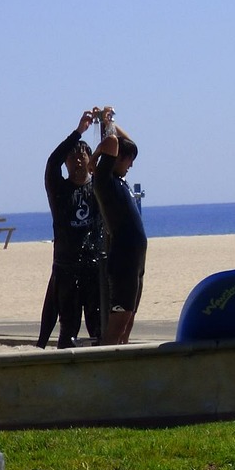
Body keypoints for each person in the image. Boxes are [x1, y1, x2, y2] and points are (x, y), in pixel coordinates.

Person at [38, 111, 103, 348]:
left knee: (99, 325)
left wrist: (106, 125)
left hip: (95, 268)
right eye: (71, 156)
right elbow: (51, 162)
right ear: (65, 163)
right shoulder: (59, 190)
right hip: (67, 269)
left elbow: (111, 162)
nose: (77, 160)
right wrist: (78, 132)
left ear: (89, 160)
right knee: (69, 326)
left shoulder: (99, 188)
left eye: (82, 155)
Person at [91, 107, 146, 345]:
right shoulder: (104, 178)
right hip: (123, 257)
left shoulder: (118, 178)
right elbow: (113, 141)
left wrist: (110, 120)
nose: (131, 166)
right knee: (119, 318)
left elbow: (126, 142)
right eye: (128, 161)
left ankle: (121, 355)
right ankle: (105, 358)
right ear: (116, 159)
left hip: (135, 258)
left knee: (130, 314)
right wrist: (107, 122)